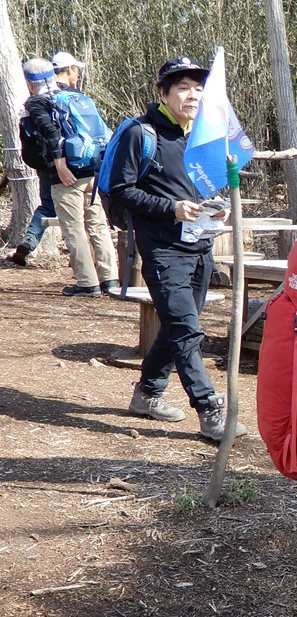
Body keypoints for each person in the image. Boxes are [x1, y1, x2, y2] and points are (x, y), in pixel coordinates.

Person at [108, 56, 243, 441]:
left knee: (178, 324)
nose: (193, 95)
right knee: (187, 329)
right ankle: (209, 410)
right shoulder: (141, 133)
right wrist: (172, 208)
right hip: (162, 248)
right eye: (182, 87)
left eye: (199, 88)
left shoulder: (202, 135)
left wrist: (217, 210)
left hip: (200, 245)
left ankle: (148, 393)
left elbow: (204, 185)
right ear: (163, 93)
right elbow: (120, 190)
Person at [25, 51, 117, 296]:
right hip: (93, 168)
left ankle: (87, 283)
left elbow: (51, 133)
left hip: (67, 175)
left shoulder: (37, 102)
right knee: (97, 224)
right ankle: (110, 279)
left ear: (28, 83)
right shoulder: (76, 96)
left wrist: (59, 165)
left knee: (73, 227)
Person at [10, 59, 59, 268]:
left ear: (30, 83)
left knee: (48, 207)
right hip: (74, 162)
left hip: (45, 165)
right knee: (82, 213)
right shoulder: (64, 99)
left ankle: (29, 240)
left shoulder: (29, 107)